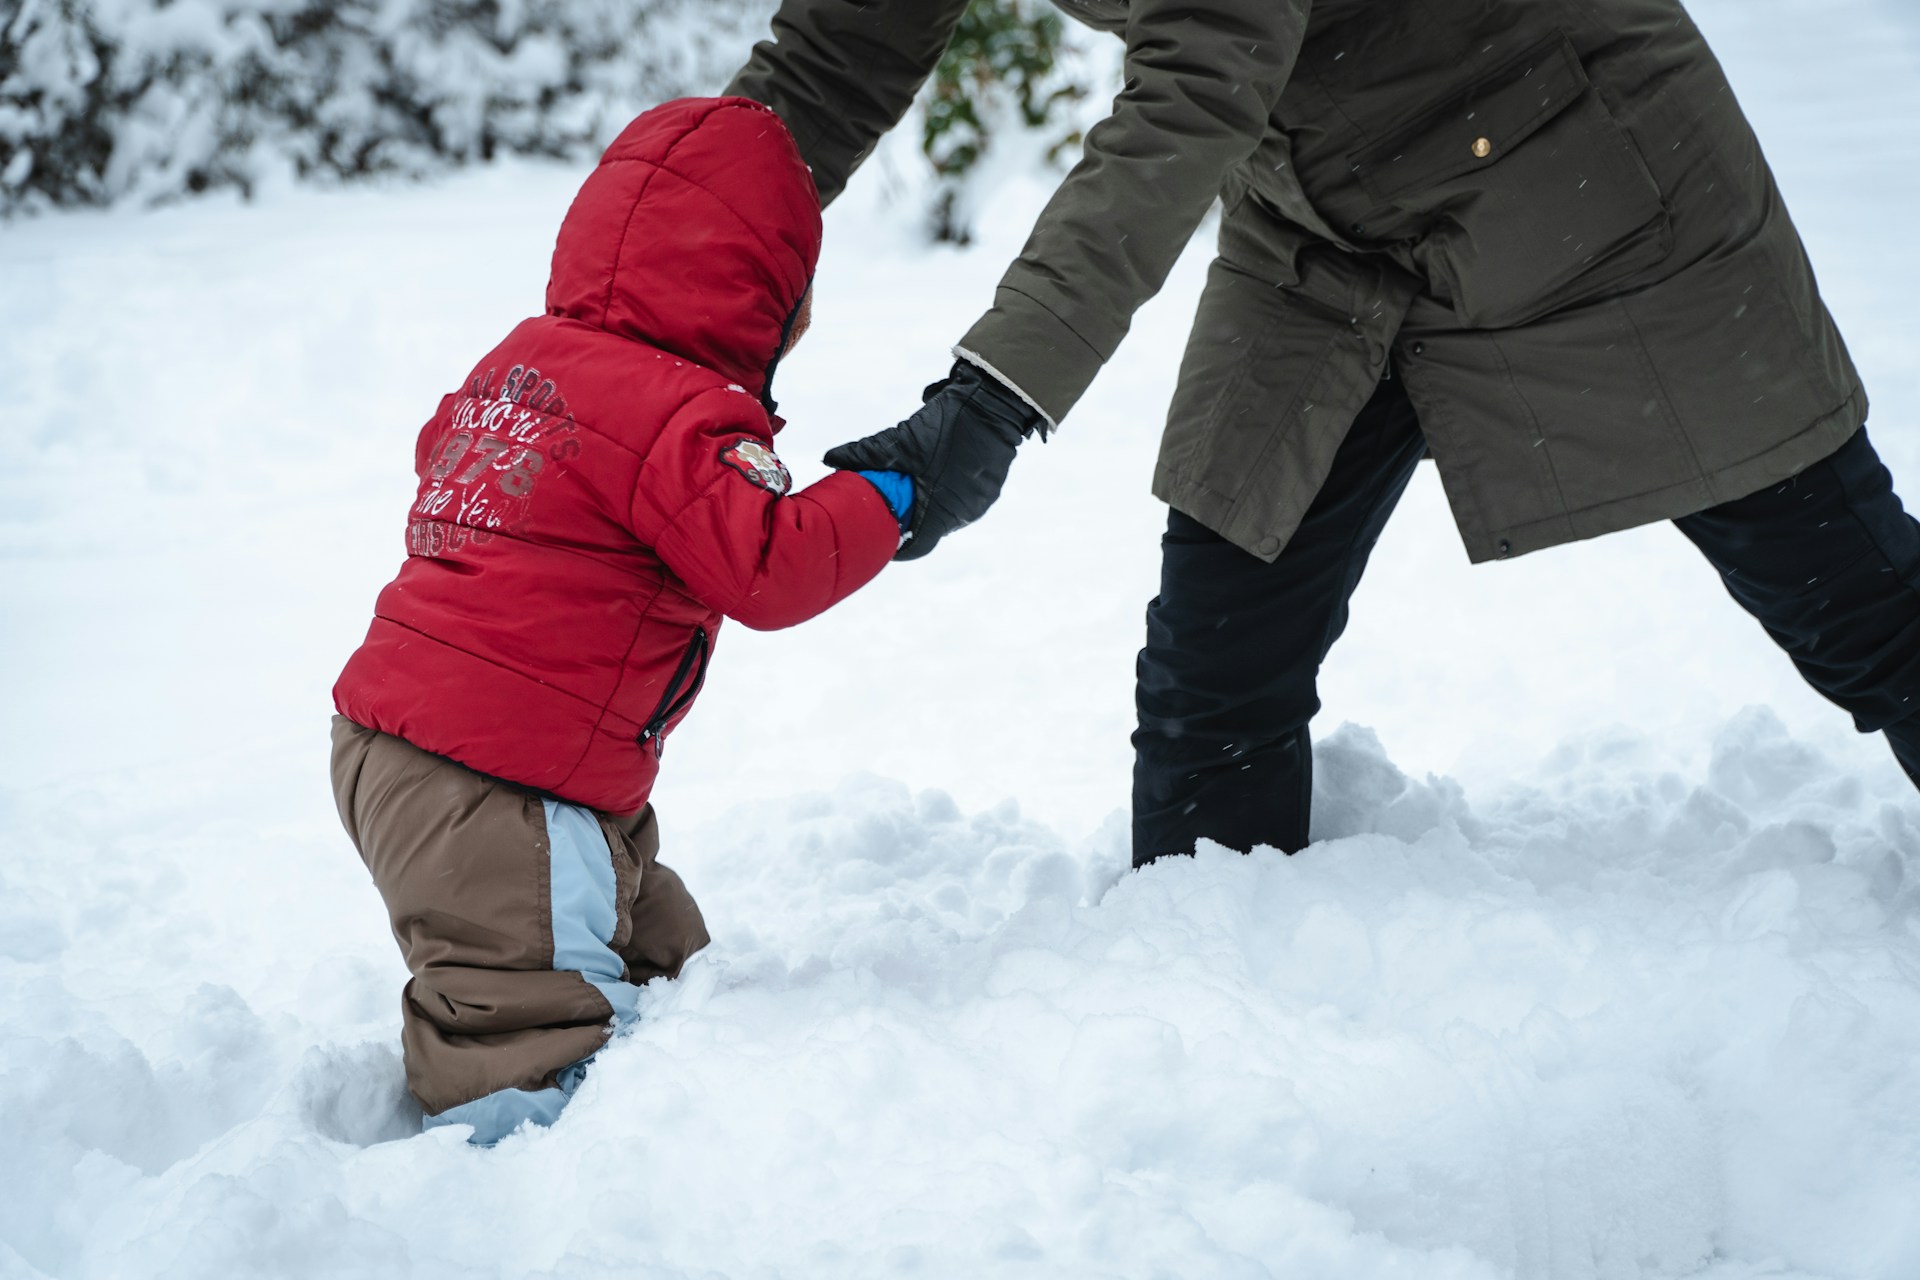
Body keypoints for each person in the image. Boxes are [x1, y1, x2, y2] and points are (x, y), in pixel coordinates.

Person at [743, 0, 1920, 862]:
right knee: (1217, 665)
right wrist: (658, 275)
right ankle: (1224, 1036)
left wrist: (991, 400)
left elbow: (1195, 86)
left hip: (1578, 164)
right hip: (1319, 225)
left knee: (1862, 609)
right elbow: (838, 54)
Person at [328, 97, 914, 1144]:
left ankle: (673, 1058)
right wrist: (893, 497)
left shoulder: (522, 359)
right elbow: (768, 565)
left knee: (657, 937)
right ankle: (510, 1185)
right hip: (497, 793)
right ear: (760, 295)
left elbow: (440, 453)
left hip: (400, 747)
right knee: (520, 1032)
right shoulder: (679, 414)